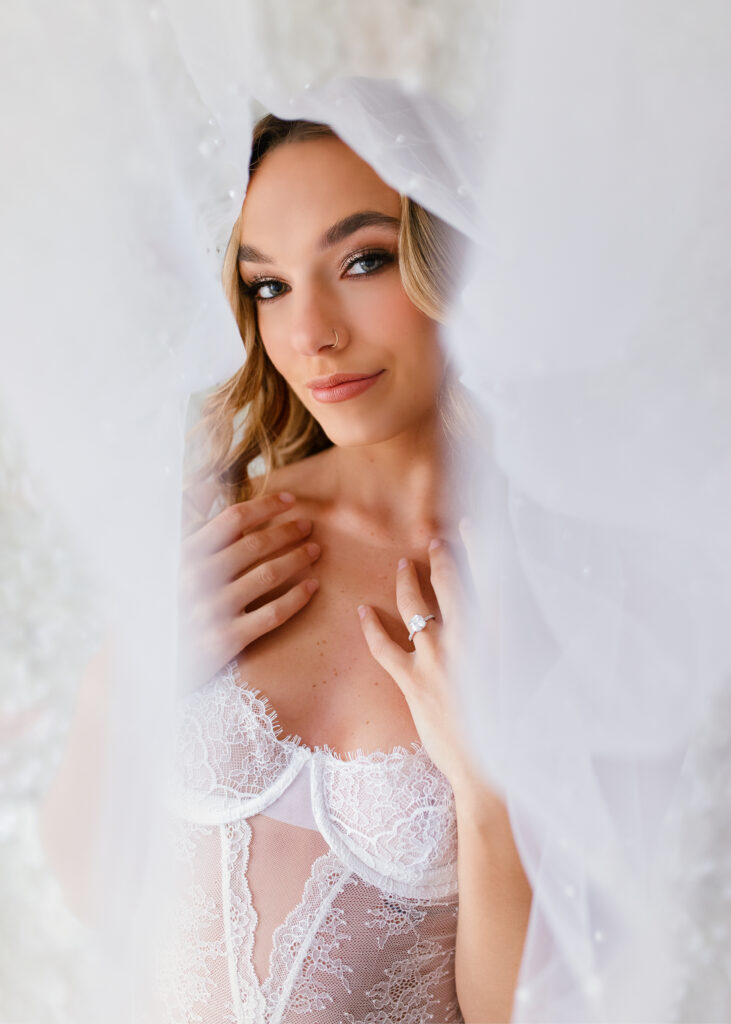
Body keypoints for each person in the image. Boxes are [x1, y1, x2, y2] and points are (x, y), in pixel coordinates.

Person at [168, 114, 532, 1024]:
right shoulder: (216, 538)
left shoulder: (534, 584)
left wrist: (487, 787)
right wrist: (131, 673)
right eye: (269, 285)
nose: (310, 335)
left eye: (363, 261)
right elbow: (71, 859)